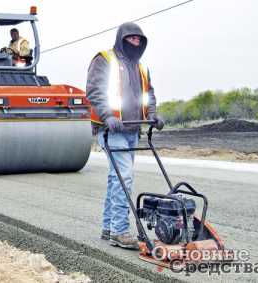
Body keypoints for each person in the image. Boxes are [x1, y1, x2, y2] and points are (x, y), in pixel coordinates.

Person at [85, 22, 165, 249]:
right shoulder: (104, 59)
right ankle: (120, 231)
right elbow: (94, 91)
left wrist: (153, 115)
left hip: (133, 129)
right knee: (125, 178)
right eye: (131, 38)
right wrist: (107, 115)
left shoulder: (141, 67)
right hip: (111, 129)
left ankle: (109, 228)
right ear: (122, 39)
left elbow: (148, 95)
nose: (135, 42)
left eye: (139, 39)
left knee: (117, 178)